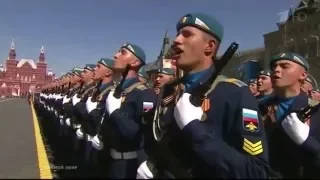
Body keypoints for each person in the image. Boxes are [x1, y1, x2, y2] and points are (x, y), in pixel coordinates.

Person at [137, 12, 273, 178]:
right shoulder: (169, 90)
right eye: (178, 34)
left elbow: (256, 171)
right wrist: (151, 162)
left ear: (209, 46)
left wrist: (195, 129)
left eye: (187, 34)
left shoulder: (235, 93)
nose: (177, 40)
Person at [259, 52, 320, 178]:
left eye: (284, 66)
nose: (276, 70)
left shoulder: (316, 110)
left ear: (303, 75)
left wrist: (307, 142)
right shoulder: (258, 107)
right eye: (274, 67)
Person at [103, 43, 157, 178]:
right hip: (110, 159)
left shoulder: (146, 94)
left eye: (123, 52)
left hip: (129, 166)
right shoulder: (117, 91)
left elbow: (140, 133)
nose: (115, 55)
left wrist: (116, 113)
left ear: (135, 62)